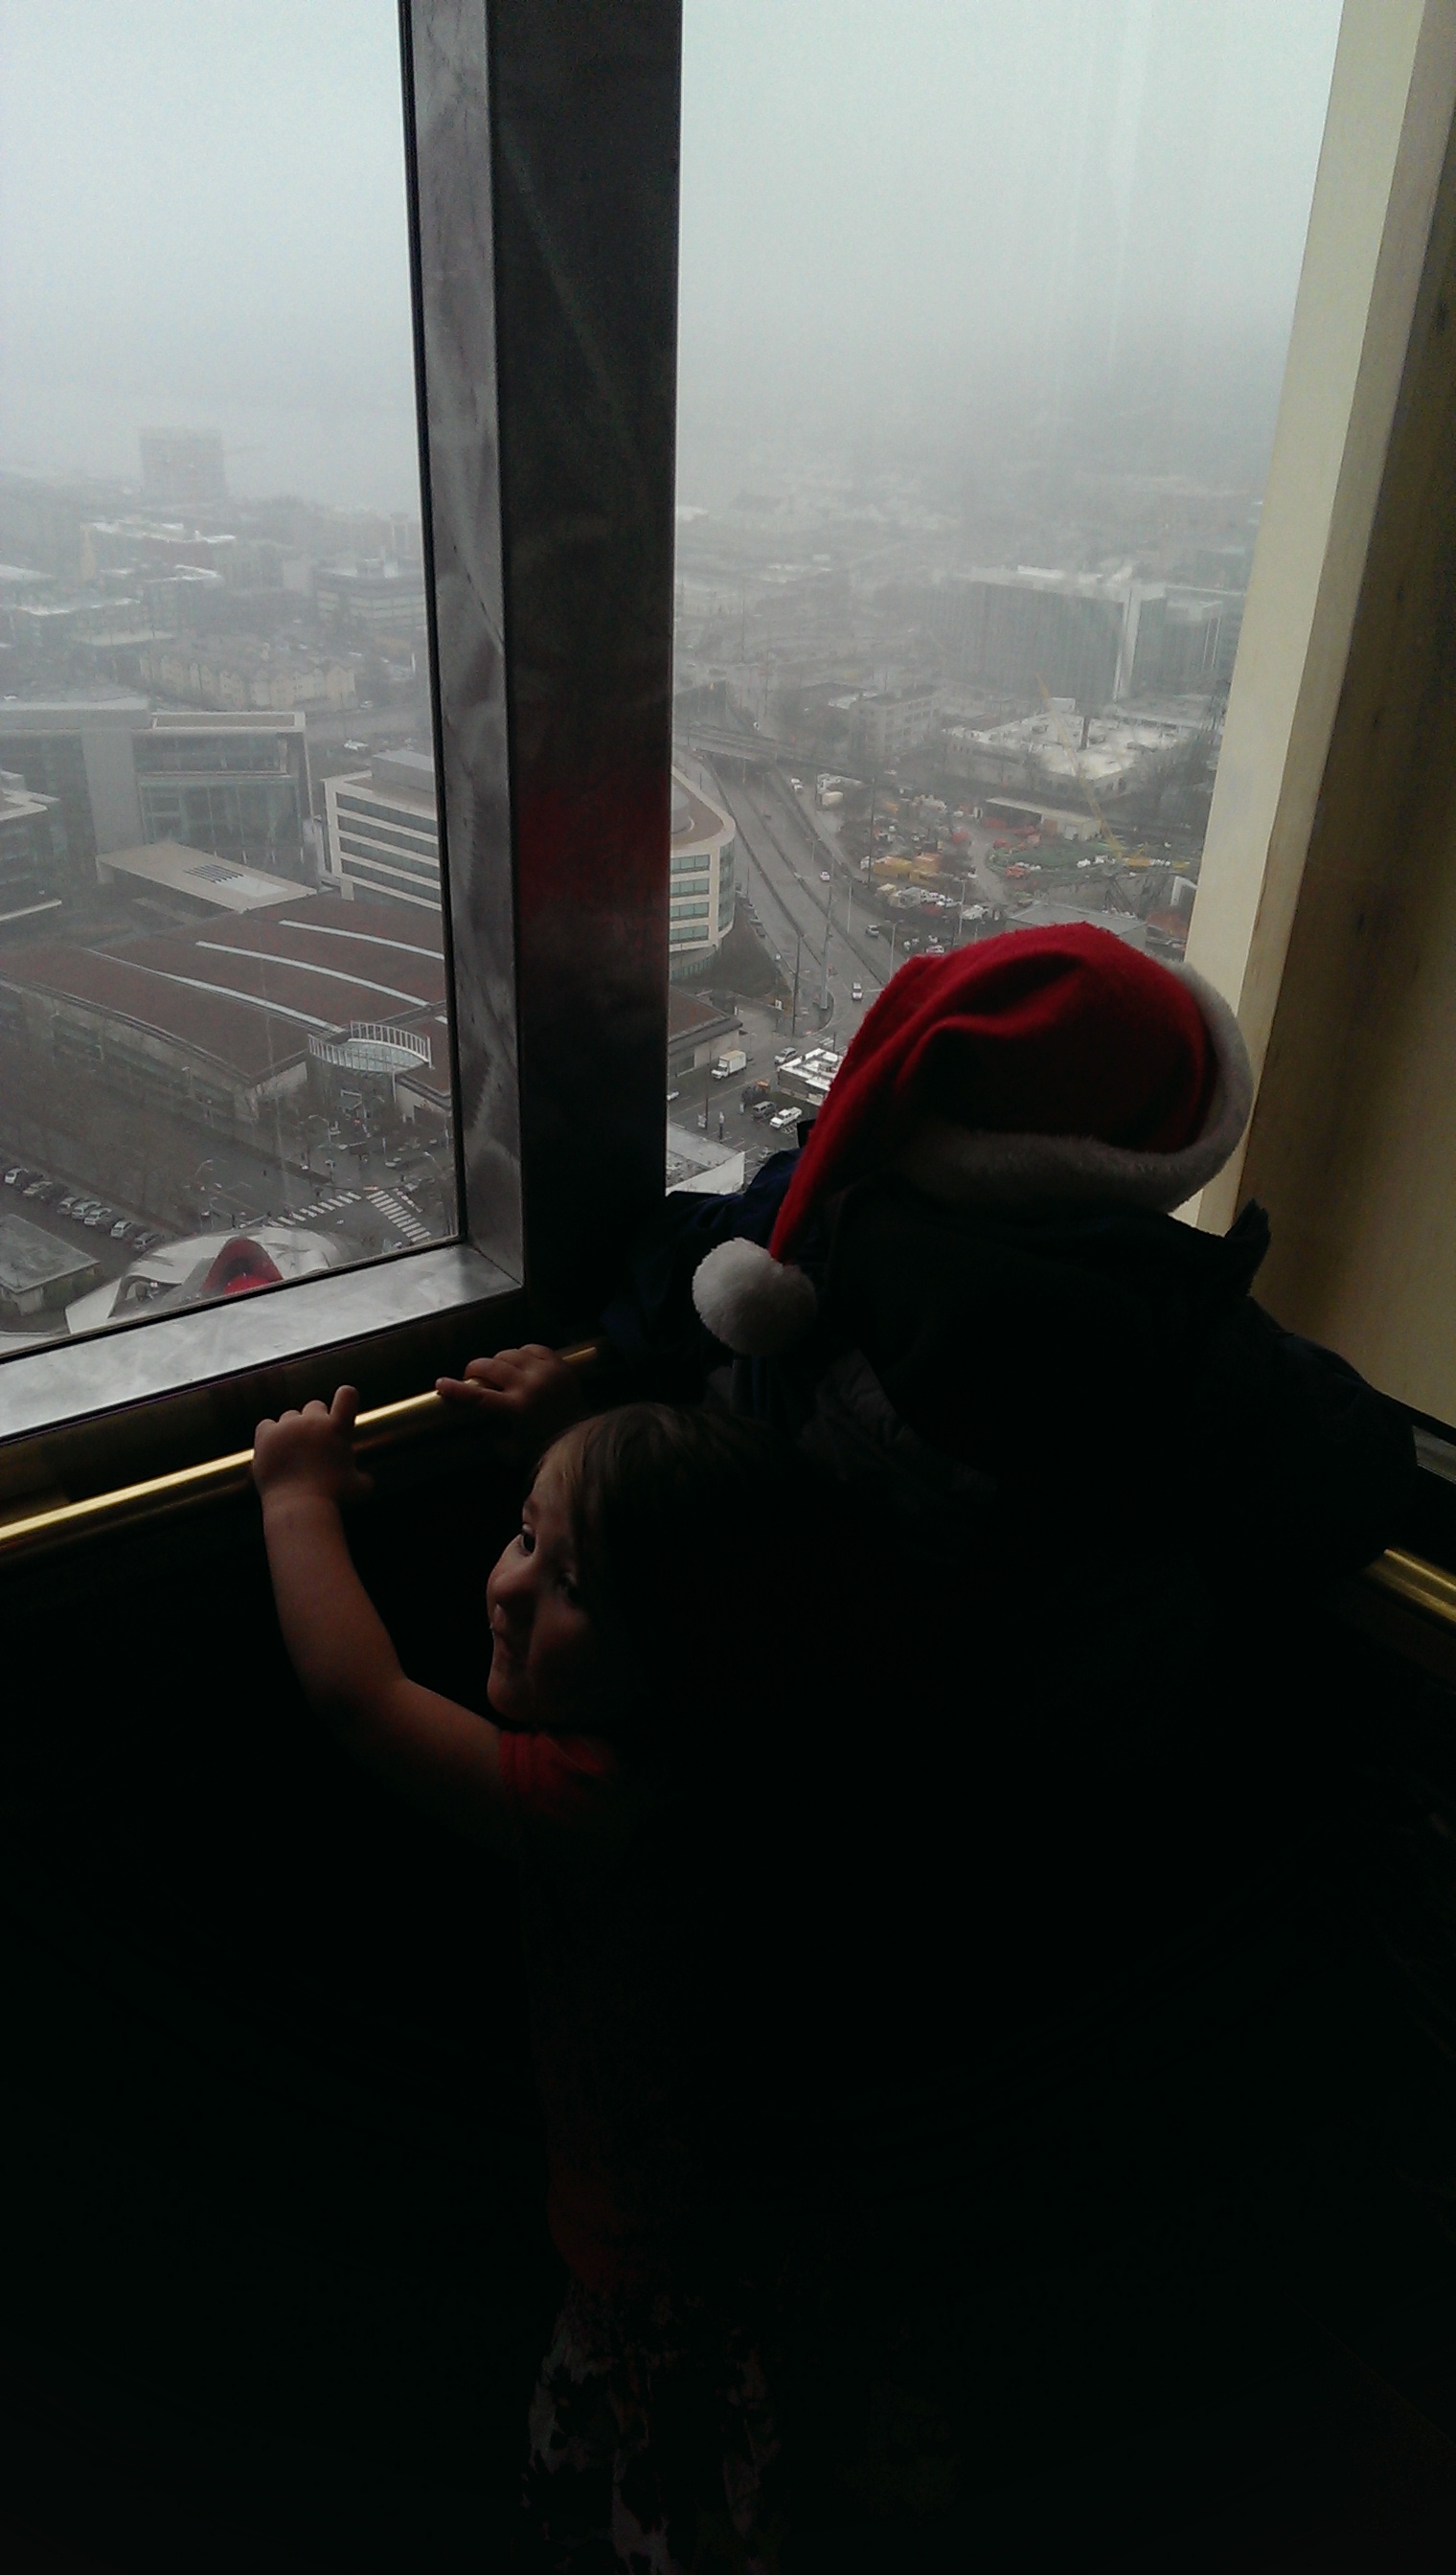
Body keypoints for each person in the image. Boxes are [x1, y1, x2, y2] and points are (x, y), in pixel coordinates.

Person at [251, 1389, 813, 2574]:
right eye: (524, 1536)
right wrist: (572, 1438)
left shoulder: (599, 1804)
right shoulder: (744, 1727)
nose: (507, 1590)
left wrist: (295, 1498)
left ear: (677, 1652)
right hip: (760, 2196)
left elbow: (361, 1697)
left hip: (651, 2252)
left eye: (571, 1589)